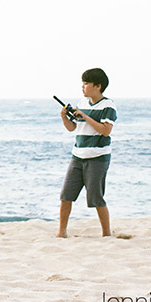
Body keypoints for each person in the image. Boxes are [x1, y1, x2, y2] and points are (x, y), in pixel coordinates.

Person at [57, 67, 116, 238]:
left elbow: (106, 130)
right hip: (77, 156)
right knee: (66, 196)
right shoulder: (81, 103)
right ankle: (61, 233)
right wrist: (64, 117)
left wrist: (86, 116)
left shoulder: (108, 105)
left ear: (97, 86)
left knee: (96, 198)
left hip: (97, 158)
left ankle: (106, 234)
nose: (82, 87)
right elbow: (72, 128)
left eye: (86, 83)